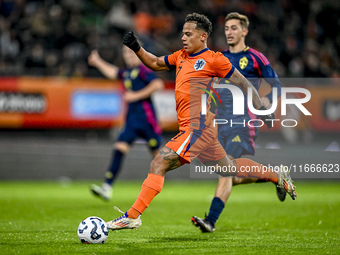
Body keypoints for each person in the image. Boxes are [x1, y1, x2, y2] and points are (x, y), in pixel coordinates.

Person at [106, 13, 296, 230]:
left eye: (188, 34)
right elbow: (156, 63)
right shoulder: (180, 56)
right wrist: (137, 47)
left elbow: (244, 83)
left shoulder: (214, 59)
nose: (183, 38)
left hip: (197, 128)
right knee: (229, 169)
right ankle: (277, 176)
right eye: (182, 34)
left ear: (202, 36)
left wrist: (262, 108)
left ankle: (132, 215)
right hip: (201, 129)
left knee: (159, 163)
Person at [191, 12, 289, 233]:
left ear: (244, 31)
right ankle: (276, 175)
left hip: (243, 120)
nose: (229, 32)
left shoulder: (255, 57)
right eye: (226, 29)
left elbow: (277, 86)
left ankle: (211, 221)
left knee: (226, 172)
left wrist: (267, 102)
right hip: (222, 123)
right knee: (233, 176)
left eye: (234, 28)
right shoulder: (219, 57)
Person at [88, 46, 164, 201]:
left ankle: (157, 186)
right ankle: (107, 187)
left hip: (147, 122)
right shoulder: (127, 73)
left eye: (131, 52)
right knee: (118, 148)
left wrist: (135, 95)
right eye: (125, 53)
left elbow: (158, 85)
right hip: (131, 121)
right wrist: (98, 62)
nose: (128, 56)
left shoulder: (143, 70)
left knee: (159, 158)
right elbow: (113, 73)